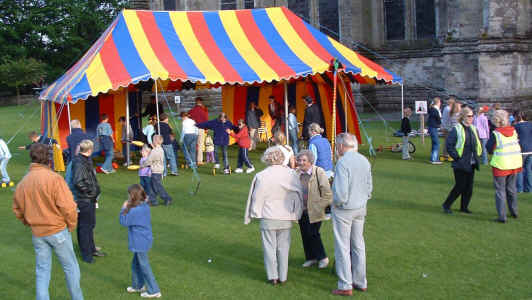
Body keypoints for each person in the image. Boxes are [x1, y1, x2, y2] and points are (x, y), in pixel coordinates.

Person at [12, 143, 84, 300]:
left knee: (42, 271)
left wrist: (29, 221)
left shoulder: (24, 182)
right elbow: (69, 207)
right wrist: (71, 224)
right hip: (57, 231)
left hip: (38, 233)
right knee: (71, 268)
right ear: (48, 158)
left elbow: (17, 208)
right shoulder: (54, 179)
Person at [244, 146, 303, 285]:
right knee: (283, 248)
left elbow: (257, 197)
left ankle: (273, 277)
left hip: (268, 216)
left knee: (269, 248)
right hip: (286, 216)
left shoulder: (262, 175)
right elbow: (298, 194)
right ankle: (283, 276)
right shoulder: (291, 174)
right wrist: (296, 213)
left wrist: (255, 213)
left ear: (267, 158)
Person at [330, 133, 372, 296]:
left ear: (341, 146)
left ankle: (345, 284)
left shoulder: (342, 162)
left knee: (342, 247)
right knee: (358, 245)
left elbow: (340, 194)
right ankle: (361, 281)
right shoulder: (364, 160)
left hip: (344, 210)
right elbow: (369, 187)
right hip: (360, 207)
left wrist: (335, 203)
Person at [120, 184, 162, 298]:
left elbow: (124, 221)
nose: (127, 197)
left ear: (133, 196)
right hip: (145, 239)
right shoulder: (144, 206)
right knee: (136, 264)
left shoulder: (135, 210)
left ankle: (154, 290)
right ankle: (138, 285)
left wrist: (123, 208)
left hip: (139, 242)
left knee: (144, 265)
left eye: (129, 194)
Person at [295, 150, 332, 269]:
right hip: (302, 210)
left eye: (304, 160)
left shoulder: (318, 172)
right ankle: (311, 258)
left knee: (313, 234)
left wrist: (319, 207)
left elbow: (327, 193)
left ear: (310, 161)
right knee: (305, 234)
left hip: (315, 210)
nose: (301, 163)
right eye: (299, 160)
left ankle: (322, 258)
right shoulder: (296, 173)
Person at [442, 107, 482, 214]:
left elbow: (477, 143)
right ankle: (446, 205)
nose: (471, 118)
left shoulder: (473, 128)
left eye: (472, 116)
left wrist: (478, 155)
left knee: (469, 188)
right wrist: (457, 157)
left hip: (471, 163)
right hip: (460, 163)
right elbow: (449, 145)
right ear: (463, 116)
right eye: (469, 116)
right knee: (460, 186)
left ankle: (464, 207)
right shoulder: (457, 129)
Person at [72, 140, 105, 263]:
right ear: (90, 150)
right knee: (85, 227)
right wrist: (90, 192)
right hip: (85, 200)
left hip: (89, 199)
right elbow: (78, 182)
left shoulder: (85, 160)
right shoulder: (80, 163)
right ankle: (86, 254)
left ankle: (91, 249)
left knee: (90, 225)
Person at [486, 110, 522, 223]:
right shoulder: (514, 131)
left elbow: (489, 149)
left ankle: (502, 216)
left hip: (501, 164)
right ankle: (514, 211)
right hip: (514, 163)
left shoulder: (496, 133)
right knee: (511, 189)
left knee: (500, 191)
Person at [140, 135, 172, 206]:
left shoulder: (155, 151)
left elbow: (149, 161)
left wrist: (143, 165)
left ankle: (167, 198)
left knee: (157, 187)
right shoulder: (160, 149)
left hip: (156, 171)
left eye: (153, 140)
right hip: (159, 170)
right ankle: (153, 201)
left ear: (155, 141)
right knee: (152, 187)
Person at [514, 110, 532, 193]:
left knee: (519, 170)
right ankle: (529, 188)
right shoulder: (530, 124)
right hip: (530, 150)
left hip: (521, 150)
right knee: (528, 169)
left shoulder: (516, 126)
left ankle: (520, 188)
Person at [189, 97, 209, 164]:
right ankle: (199, 160)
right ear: (201, 102)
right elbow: (206, 120)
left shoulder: (192, 110)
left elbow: (188, 118)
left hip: (193, 129)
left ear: (196, 102)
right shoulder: (204, 110)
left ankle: (192, 160)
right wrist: (206, 129)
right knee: (200, 145)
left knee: (193, 144)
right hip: (201, 129)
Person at [427, 97, 442, 164]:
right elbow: (438, 119)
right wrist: (440, 124)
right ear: (438, 103)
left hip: (432, 127)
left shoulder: (432, 109)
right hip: (433, 127)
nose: (440, 104)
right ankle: (434, 159)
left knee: (434, 143)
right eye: (440, 102)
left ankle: (433, 158)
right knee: (436, 143)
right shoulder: (435, 110)